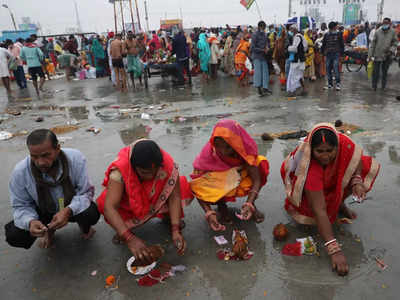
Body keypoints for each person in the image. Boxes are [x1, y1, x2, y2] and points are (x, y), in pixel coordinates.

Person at [281, 123, 380, 276]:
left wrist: (357, 181)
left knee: (357, 171)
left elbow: (356, 158)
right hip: (309, 186)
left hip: (335, 176)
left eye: (329, 151)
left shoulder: (344, 144)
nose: (325, 156)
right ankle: (333, 203)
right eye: (319, 151)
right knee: (314, 210)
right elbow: (319, 210)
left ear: (337, 147)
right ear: (312, 150)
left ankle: (339, 203)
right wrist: (334, 249)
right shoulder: (309, 168)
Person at [96, 140, 193, 260]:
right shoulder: (121, 170)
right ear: (134, 167)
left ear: (160, 165)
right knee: (103, 202)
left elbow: (175, 197)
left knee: (182, 185)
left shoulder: (167, 164)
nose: (150, 176)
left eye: (154, 171)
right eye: (144, 173)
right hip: (129, 204)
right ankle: (123, 230)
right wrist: (129, 238)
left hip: (155, 199)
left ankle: (170, 219)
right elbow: (109, 208)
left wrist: (175, 229)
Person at [5, 129, 100, 249]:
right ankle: (48, 231)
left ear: (57, 148)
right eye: (34, 157)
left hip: (69, 206)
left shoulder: (75, 158)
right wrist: (30, 221)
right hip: (43, 212)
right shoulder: (20, 172)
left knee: (90, 213)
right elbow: (20, 205)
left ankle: (84, 227)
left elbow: (85, 192)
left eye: (46, 155)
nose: (40, 162)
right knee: (15, 235)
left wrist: (69, 210)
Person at [190, 120, 270, 232]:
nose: (222, 151)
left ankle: (251, 204)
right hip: (221, 181)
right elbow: (197, 187)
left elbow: (256, 180)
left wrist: (249, 203)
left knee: (260, 163)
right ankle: (221, 206)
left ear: (235, 143)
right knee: (206, 183)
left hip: (239, 176)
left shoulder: (243, 149)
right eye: (218, 146)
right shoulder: (208, 154)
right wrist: (208, 212)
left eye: (227, 147)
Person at [368, 17, 398, 91]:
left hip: (387, 55)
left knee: (384, 72)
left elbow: (395, 43)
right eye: (384, 23)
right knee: (375, 72)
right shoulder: (378, 31)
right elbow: (373, 44)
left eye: (386, 23)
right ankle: (374, 86)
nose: (385, 24)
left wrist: (391, 50)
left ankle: (383, 87)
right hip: (377, 54)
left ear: (389, 24)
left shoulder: (393, 32)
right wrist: (370, 55)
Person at [321, 21, 344, 91]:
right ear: (334, 27)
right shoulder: (326, 35)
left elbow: (341, 44)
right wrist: (322, 52)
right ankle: (330, 84)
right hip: (328, 54)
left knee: (335, 68)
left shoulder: (339, 34)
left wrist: (342, 54)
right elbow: (324, 44)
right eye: (336, 26)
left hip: (336, 54)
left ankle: (337, 84)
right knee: (328, 69)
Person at [251, 21, 272, 96]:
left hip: (264, 56)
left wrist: (268, 47)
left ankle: (265, 88)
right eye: (263, 27)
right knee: (258, 73)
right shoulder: (255, 35)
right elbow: (252, 48)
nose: (264, 29)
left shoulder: (265, 35)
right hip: (257, 56)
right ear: (259, 27)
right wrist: (262, 50)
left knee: (265, 72)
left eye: (264, 27)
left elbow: (267, 43)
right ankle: (259, 88)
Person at [286, 24, 308, 97]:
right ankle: (304, 89)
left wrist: (288, 48)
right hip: (300, 59)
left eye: (291, 29)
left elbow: (295, 49)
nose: (290, 30)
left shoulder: (297, 37)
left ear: (295, 29)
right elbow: (304, 48)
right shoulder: (300, 36)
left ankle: (293, 91)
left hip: (297, 60)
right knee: (299, 75)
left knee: (294, 75)